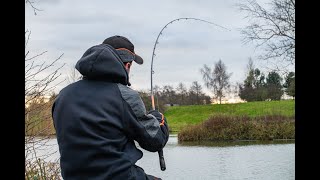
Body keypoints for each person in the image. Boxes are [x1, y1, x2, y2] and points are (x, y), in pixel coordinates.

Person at [51, 35, 169, 180]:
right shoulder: (125, 96)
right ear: (127, 65)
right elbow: (155, 141)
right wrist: (158, 119)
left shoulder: (63, 97)